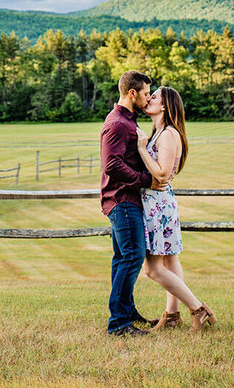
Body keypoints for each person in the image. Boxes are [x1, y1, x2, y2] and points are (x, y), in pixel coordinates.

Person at [135, 86, 216, 331]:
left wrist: (141, 148)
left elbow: (160, 175)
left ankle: (197, 309)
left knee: (151, 269)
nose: (149, 99)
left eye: (154, 96)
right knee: (170, 260)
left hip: (158, 205)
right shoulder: (161, 133)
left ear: (165, 106)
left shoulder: (169, 134)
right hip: (158, 203)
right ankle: (171, 315)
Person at [100, 70, 157, 336]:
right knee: (133, 256)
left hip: (125, 198)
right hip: (122, 199)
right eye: (146, 93)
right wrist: (145, 179)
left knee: (123, 257)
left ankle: (127, 312)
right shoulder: (118, 124)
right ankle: (118, 323)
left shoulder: (127, 120)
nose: (149, 98)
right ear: (132, 93)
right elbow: (111, 165)